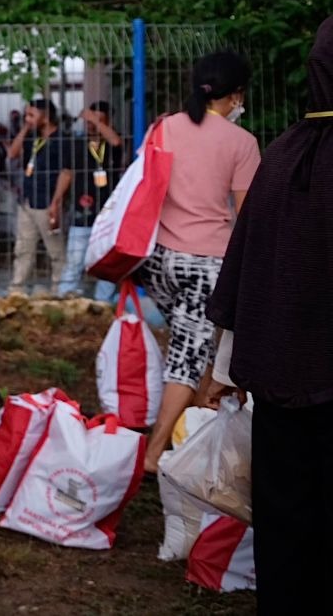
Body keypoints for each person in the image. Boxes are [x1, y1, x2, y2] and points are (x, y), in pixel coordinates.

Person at [205, 18, 333, 612]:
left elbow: (243, 271)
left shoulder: (280, 155)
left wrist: (228, 368)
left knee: (285, 512)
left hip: (280, 376)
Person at [136, 52, 259, 473]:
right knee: (187, 358)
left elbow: (142, 187)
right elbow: (248, 217)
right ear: (236, 94)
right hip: (207, 265)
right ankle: (154, 455)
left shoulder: (164, 127)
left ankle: (194, 431)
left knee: (203, 349)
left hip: (158, 262)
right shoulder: (242, 143)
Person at [4, 99, 72, 295]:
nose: (28, 118)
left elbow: (66, 173)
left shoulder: (62, 140)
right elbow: (13, 153)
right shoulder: (32, 136)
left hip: (47, 202)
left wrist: (56, 202)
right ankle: (17, 289)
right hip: (27, 200)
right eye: (26, 115)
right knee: (23, 247)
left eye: (32, 115)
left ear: (47, 116)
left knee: (56, 250)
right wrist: (26, 127)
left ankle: (60, 290)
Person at [57, 102, 123, 300]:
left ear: (108, 122)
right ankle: (66, 296)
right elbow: (67, 173)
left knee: (107, 260)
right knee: (75, 258)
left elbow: (116, 141)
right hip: (81, 210)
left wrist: (94, 118)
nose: (91, 125)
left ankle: (103, 302)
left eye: (98, 121)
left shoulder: (112, 145)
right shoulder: (77, 143)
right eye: (89, 121)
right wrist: (56, 201)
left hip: (108, 212)